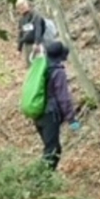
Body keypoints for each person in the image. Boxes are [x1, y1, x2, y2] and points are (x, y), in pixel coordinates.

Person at [34, 41, 81, 170]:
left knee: (51, 148)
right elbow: (63, 98)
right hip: (50, 114)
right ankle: (41, 181)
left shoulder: (41, 68)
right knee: (52, 150)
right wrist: (72, 119)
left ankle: (44, 179)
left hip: (37, 112)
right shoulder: (57, 72)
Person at [16, 0, 47, 66]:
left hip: (37, 44)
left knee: (40, 66)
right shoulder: (21, 20)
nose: (22, 7)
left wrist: (36, 43)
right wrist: (19, 49)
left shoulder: (36, 15)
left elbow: (38, 29)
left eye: (23, 4)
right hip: (27, 46)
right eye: (19, 6)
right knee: (30, 67)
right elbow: (21, 34)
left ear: (27, 4)